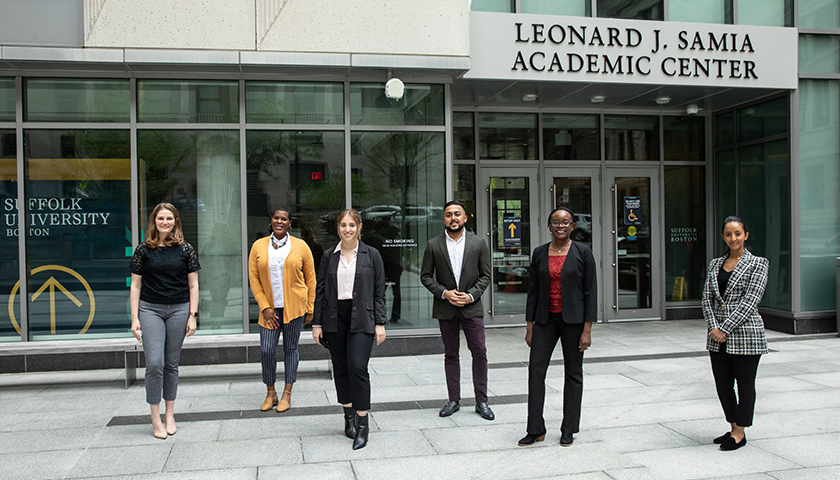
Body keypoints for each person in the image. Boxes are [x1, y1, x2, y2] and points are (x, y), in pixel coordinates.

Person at [520, 207, 596, 447]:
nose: (560, 225)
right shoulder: (540, 253)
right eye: (556, 222)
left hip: (573, 321)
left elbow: (590, 292)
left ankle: (568, 428)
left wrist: (587, 329)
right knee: (535, 371)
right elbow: (533, 291)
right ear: (549, 226)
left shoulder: (583, 252)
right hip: (545, 320)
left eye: (565, 222)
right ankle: (535, 428)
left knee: (573, 373)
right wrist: (529, 325)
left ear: (573, 226)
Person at [312, 209, 387, 450]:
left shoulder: (372, 255)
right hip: (335, 318)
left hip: (362, 318)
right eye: (343, 225)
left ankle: (363, 424)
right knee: (341, 369)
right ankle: (349, 418)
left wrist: (380, 323)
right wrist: (316, 323)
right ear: (338, 228)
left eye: (351, 225)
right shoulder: (328, 256)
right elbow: (320, 290)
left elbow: (379, 292)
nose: (347, 229)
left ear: (359, 227)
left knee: (357, 367)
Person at [129, 203, 200, 439]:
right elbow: (136, 285)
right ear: (154, 221)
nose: (165, 222)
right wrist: (134, 318)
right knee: (154, 364)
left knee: (171, 364)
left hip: (179, 309)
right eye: (161, 218)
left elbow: (193, 284)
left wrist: (193, 315)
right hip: (150, 309)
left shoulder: (186, 250)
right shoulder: (143, 250)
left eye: (169, 218)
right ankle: (155, 417)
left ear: (176, 221)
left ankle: (170, 414)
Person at [420, 200, 494, 420]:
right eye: (449, 215)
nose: (453, 218)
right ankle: (454, 400)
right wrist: (445, 293)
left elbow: (486, 275)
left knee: (479, 352)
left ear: (465, 218)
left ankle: (482, 401)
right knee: (451, 354)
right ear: (443, 219)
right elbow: (425, 276)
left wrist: (471, 295)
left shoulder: (478, 243)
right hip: (446, 308)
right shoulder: (433, 245)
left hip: (472, 308)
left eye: (457, 214)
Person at [702, 215, 769, 451]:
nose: (733, 238)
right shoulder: (714, 264)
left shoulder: (758, 263)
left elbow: (751, 301)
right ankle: (732, 425)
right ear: (723, 236)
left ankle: (740, 432)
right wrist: (713, 328)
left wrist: (724, 328)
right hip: (716, 337)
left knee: (745, 385)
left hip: (746, 334)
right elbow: (707, 300)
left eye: (737, 233)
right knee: (722, 384)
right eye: (728, 234)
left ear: (745, 235)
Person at [248, 207, 316, 413]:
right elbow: (254, 279)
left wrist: (310, 308)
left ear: (289, 223)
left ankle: (287, 393)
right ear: (272, 221)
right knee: (267, 350)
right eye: (276, 217)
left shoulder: (301, 246)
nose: (279, 221)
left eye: (284, 219)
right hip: (269, 310)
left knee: (290, 349)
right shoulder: (259, 246)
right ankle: (271, 393)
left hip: (295, 308)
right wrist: (264, 307)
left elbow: (311, 279)